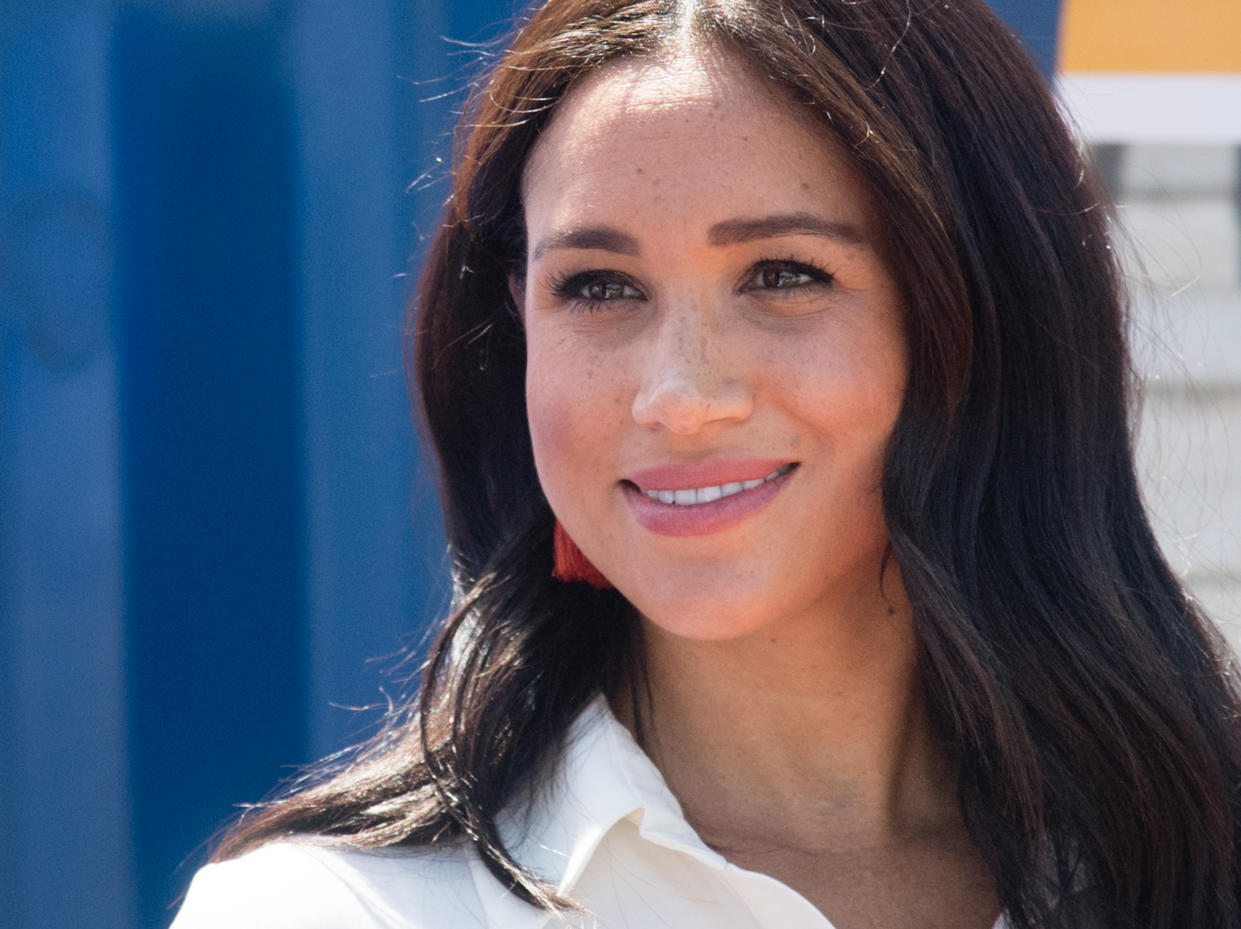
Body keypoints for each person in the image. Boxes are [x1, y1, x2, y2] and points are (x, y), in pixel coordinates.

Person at [171, 1, 1241, 927]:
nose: (677, 396)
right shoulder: (335, 909)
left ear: (986, 318)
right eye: (596, 286)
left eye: (781, 273)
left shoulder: (1183, 856)